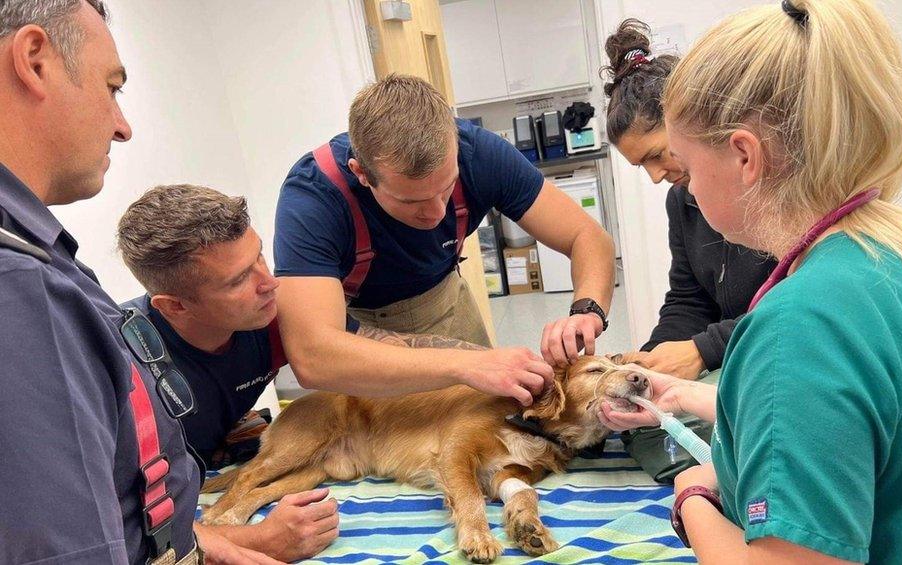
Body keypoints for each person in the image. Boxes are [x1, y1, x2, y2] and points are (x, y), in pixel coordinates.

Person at [602, 1, 902, 563]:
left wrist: (694, 498)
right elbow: (871, 419)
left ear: (744, 157)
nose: (686, 190)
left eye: (683, 163)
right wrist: (692, 396)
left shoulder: (797, 328)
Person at [0, 2, 281, 563]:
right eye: (112, 88)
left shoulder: (41, 260)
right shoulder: (22, 288)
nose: (122, 127)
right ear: (35, 60)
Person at [273, 74, 616, 399]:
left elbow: (587, 236)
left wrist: (587, 309)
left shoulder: (479, 154)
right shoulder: (314, 198)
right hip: (360, 340)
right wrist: (467, 363)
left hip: (445, 305)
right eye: (412, 201)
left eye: (447, 187)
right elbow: (313, 356)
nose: (437, 213)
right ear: (361, 173)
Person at [117, 184, 345, 562]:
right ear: (174, 306)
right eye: (239, 280)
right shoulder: (121, 365)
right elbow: (113, 520)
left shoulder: (269, 312)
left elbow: (370, 351)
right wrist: (261, 540)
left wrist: (468, 363)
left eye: (259, 256)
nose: (268, 282)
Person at [602, 19, 776, 380]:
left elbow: (802, 307)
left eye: (656, 154)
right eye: (640, 167)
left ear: (688, 125)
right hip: (736, 351)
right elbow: (689, 299)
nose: (655, 176)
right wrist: (649, 364)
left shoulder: (776, 194)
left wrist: (703, 349)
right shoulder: (682, 202)